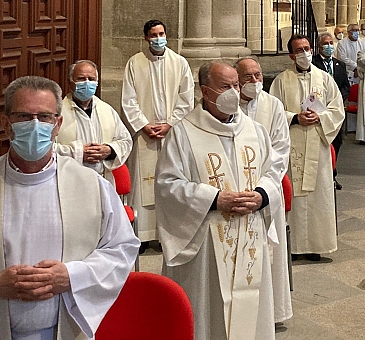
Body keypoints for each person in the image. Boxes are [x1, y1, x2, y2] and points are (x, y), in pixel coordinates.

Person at [0, 76, 139, 340]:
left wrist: (71, 276)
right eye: (23, 116)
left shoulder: (92, 185)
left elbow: (122, 248)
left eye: (45, 117)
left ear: (57, 124)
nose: (35, 125)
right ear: (6, 124)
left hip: (67, 329)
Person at [156, 61, 282, 340]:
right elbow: (167, 184)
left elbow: (273, 171)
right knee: (209, 311)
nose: (234, 92)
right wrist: (214, 198)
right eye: (226, 87)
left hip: (249, 229)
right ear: (205, 91)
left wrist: (261, 196)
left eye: (236, 85)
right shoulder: (183, 132)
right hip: (205, 238)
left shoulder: (254, 130)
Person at [121, 19, 195, 248]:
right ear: (146, 37)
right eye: (153, 34)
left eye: (161, 33)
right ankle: (142, 235)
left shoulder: (179, 63)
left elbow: (186, 98)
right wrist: (144, 125)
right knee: (143, 185)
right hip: (145, 135)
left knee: (171, 181)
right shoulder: (135, 63)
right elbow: (129, 100)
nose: (158, 38)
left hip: (171, 133)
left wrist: (170, 124)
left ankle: (168, 234)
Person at [270, 34, 345, 260]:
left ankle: (314, 245)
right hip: (292, 143)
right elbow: (272, 112)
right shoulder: (281, 81)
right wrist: (294, 117)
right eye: (299, 50)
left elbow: (337, 109)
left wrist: (319, 117)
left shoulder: (324, 79)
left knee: (317, 196)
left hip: (317, 143)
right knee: (294, 193)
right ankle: (292, 246)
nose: (305, 53)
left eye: (307, 48)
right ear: (292, 55)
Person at [235, 56, 292, 325]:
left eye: (258, 76)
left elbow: (281, 150)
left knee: (270, 252)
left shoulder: (274, 106)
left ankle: (273, 311)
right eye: (248, 77)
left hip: (265, 190)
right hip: (235, 191)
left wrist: (261, 186)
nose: (255, 81)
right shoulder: (228, 106)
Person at [56, 60, 132, 183]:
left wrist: (109, 150)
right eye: (81, 79)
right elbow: (46, 149)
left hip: (101, 179)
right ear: (70, 83)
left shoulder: (106, 109)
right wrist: (78, 152)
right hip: (69, 181)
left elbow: (126, 141)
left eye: (91, 79)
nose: (87, 83)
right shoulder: (57, 112)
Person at [312, 33, 350, 189]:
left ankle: (333, 175)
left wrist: (337, 99)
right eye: (325, 44)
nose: (329, 46)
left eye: (330, 43)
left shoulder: (339, 64)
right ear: (319, 47)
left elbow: (345, 86)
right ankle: (320, 177)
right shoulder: (313, 63)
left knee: (337, 142)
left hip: (335, 110)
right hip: (319, 110)